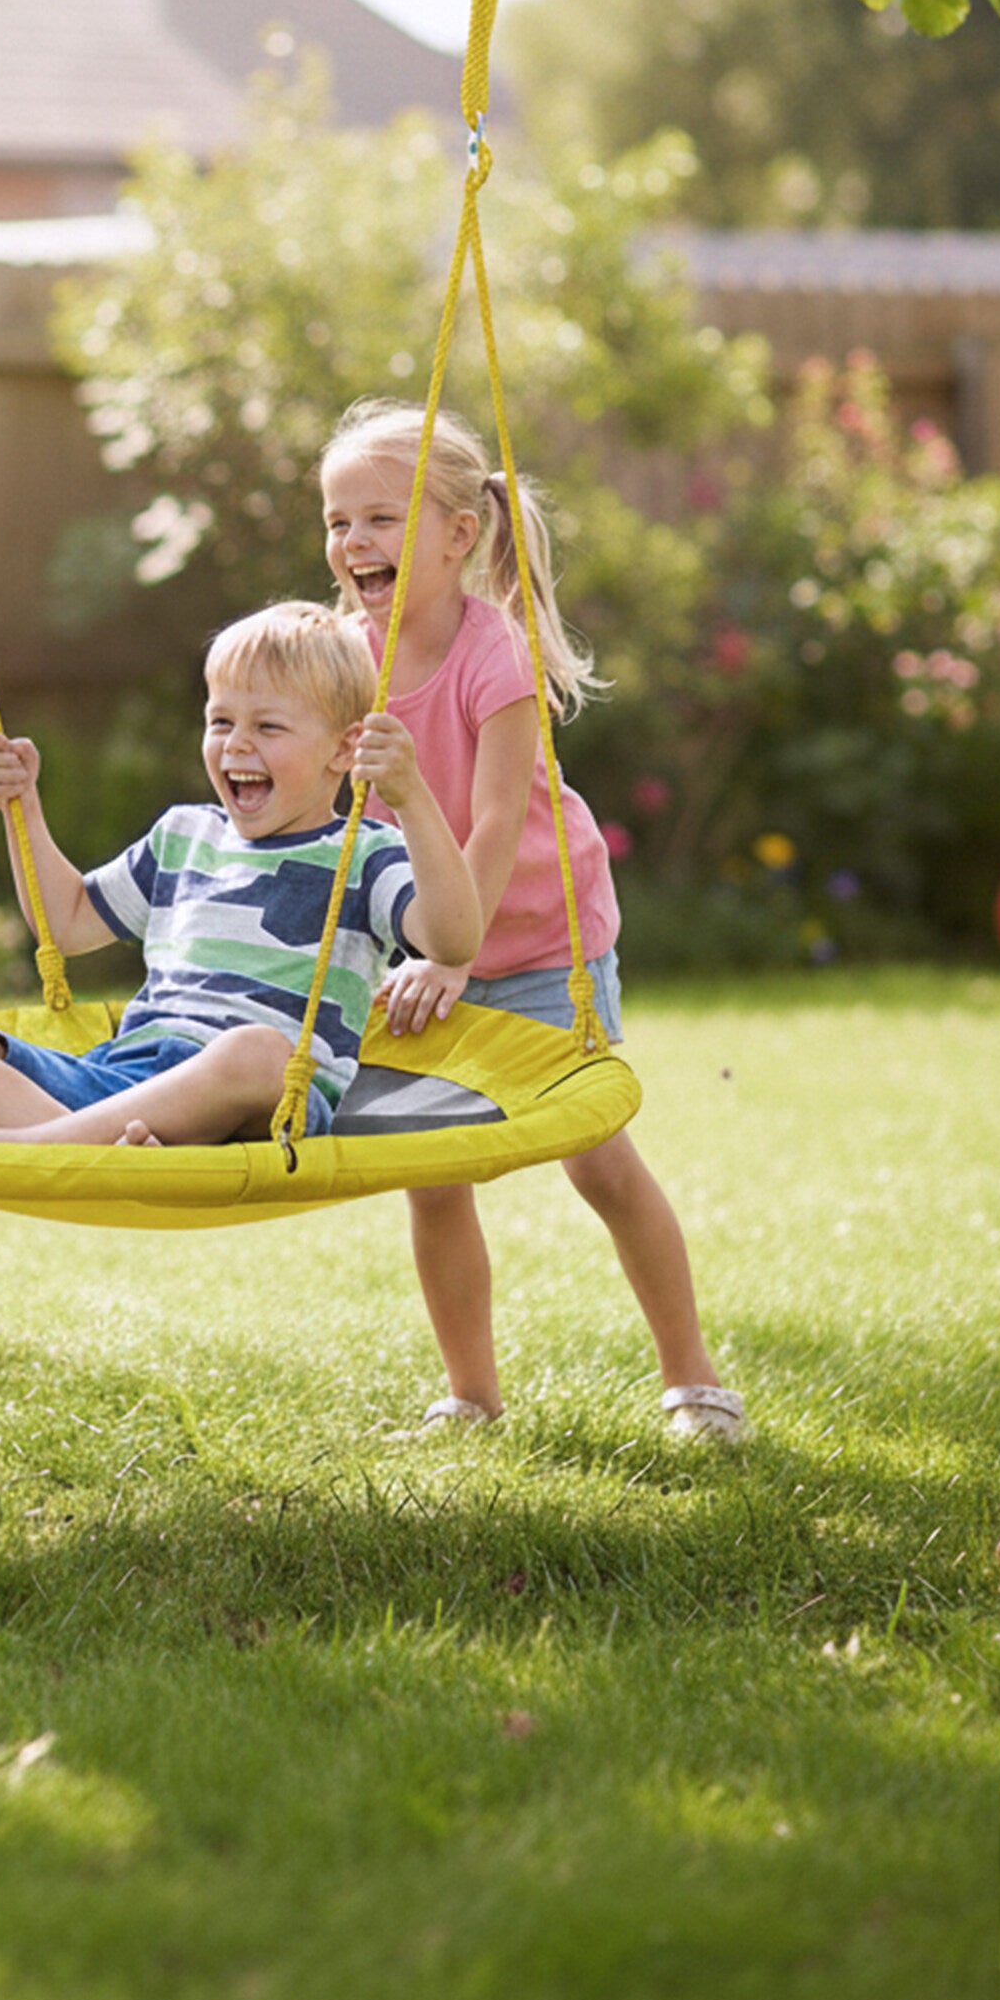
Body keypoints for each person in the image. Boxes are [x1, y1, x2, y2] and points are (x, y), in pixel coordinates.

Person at [323, 400, 747, 1444]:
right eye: (336, 521)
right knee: (430, 1176)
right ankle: (471, 1397)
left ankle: (692, 1380)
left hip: (539, 938)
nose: (351, 543)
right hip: (428, 948)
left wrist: (449, 958)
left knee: (596, 1159)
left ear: (458, 534)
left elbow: (499, 819)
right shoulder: (342, 652)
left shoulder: (490, 651)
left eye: (379, 518)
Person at [0, 601, 483, 1148]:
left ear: (345, 750)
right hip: (124, 1082)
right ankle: (93, 1148)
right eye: (221, 721)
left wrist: (409, 797)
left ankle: (2, 1145)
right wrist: (21, 808)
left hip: (257, 1094)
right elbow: (63, 923)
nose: (235, 744)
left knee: (258, 1052)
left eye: (268, 727)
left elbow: (453, 940)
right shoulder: (183, 836)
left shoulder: (364, 853)